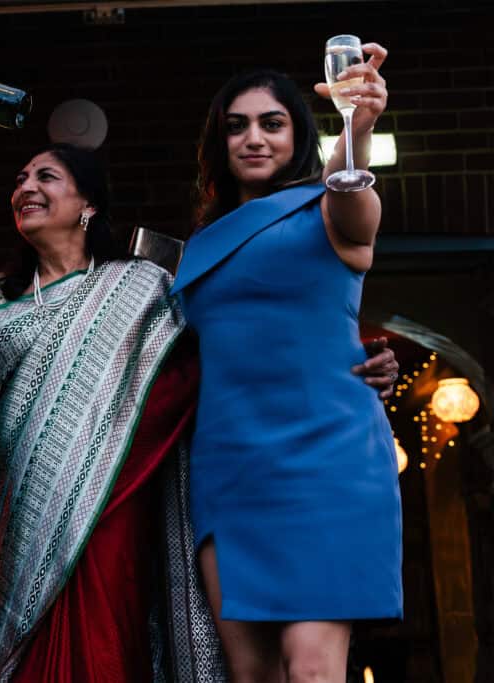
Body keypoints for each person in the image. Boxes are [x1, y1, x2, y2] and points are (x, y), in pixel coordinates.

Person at [0, 142, 400, 683]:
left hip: (113, 514)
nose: (26, 188)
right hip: (12, 514)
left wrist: (345, 365)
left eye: (47, 177)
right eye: (20, 178)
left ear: (88, 203)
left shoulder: (145, 286)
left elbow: (242, 350)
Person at [170, 44, 401, 683]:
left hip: (326, 460)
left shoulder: (331, 209)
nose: (253, 137)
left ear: (299, 134)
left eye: (272, 122)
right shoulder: (200, 243)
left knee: (313, 673)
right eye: (237, 125)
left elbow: (349, 189)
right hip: (230, 464)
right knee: (250, 675)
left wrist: (357, 125)